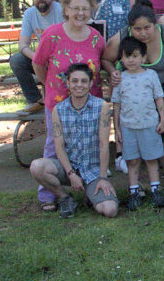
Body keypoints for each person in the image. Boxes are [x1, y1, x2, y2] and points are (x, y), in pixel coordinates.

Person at [103, 0, 164, 192]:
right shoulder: (120, 38)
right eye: (138, 29)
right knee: (134, 132)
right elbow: (106, 59)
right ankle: (139, 181)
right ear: (130, 28)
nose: (143, 33)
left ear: (155, 25)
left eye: (147, 28)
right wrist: (113, 72)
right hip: (134, 91)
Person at [32, 0, 106, 210]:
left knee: (90, 144)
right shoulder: (52, 35)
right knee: (54, 146)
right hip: (58, 102)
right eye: (76, 8)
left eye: (85, 9)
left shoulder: (96, 38)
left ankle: (91, 184)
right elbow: (38, 64)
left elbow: (100, 64)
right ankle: (49, 194)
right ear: (66, 10)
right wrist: (50, 86)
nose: (80, 13)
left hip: (89, 102)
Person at [29, 63, 118, 218]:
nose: (79, 85)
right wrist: (71, 174)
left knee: (110, 210)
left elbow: (104, 145)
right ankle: (65, 198)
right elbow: (59, 147)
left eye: (84, 81)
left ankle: (91, 196)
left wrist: (103, 178)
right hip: (69, 167)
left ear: (90, 83)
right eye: (74, 81)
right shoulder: (59, 109)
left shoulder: (101, 106)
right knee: (37, 167)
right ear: (68, 83)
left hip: (93, 170)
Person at [112, 37, 164, 210]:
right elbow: (116, 105)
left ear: (143, 57)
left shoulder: (151, 76)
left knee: (151, 159)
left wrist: (162, 119)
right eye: (127, 56)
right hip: (128, 127)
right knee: (132, 161)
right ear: (121, 58)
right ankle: (134, 191)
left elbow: (159, 99)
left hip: (150, 125)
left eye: (135, 56)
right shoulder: (120, 78)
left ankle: (155, 189)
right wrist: (117, 129)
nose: (131, 60)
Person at [12, 0, 62, 115]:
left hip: (62, 57)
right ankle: (36, 100)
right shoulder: (29, 14)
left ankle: (58, 98)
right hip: (42, 58)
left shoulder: (62, 10)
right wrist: (36, 57)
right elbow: (22, 45)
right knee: (17, 60)